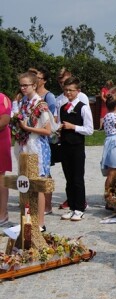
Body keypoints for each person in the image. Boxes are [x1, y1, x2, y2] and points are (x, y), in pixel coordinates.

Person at [15, 72, 53, 231]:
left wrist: (26, 128)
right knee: (26, 182)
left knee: (38, 184)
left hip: (38, 146)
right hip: (25, 145)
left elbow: (48, 131)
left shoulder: (41, 104)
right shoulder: (23, 102)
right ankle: (29, 218)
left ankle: (41, 223)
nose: (23, 88)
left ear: (34, 85)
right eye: (21, 85)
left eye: (26, 85)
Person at [59, 76, 94, 221]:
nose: (68, 93)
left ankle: (80, 207)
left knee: (78, 178)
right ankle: (72, 205)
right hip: (65, 146)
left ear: (78, 91)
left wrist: (73, 127)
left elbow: (89, 129)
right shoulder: (62, 108)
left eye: (71, 90)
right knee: (68, 178)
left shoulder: (83, 108)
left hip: (77, 146)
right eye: (66, 90)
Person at [28, 66, 56, 214]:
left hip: (44, 139)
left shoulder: (48, 97)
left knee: (45, 172)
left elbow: (53, 118)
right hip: (29, 140)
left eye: (37, 77)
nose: (34, 80)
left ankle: (48, 204)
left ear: (43, 80)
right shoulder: (27, 98)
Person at [0, 92, 12, 226]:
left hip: (0, 140)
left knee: (1, 176)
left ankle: (3, 213)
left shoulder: (2, 98)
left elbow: (4, 120)